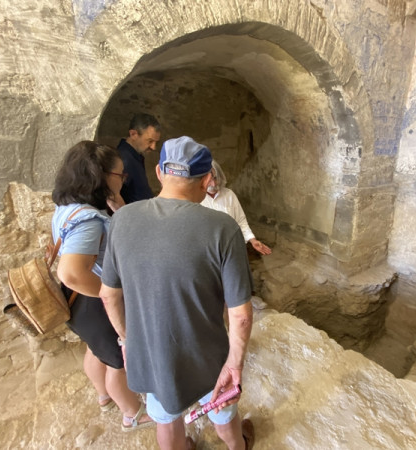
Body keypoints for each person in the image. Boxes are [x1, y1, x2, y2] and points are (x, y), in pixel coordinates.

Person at [100, 136, 256, 450]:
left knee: (165, 418)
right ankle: (237, 445)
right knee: (223, 415)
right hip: (207, 356)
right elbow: (240, 315)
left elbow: (108, 294)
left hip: (151, 351)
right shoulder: (223, 228)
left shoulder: (121, 219)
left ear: (159, 172)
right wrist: (234, 365)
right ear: (207, 179)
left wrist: (127, 341)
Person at [51, 141, 153, 432]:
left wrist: (118, 206)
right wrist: (111, 297)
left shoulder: (68, 207)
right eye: (121, 175)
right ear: (102, 176)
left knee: (96, 351)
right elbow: (71, 272)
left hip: (77, 304)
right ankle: (131, 414)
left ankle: (104, 396)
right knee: (118, 362)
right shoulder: (89, 221)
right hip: (96, 301)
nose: (124, 179)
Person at [202, 160, 272, 256]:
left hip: (232, 248)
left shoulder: (229, 195)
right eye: (209, 180)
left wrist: (252, 240)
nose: (213, 184)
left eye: (215, 178)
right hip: (208, 252)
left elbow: (240, 220)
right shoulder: (195, 199)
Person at [117, 113, 161, 204]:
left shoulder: (135, 156)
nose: (153, 147)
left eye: (156, 142)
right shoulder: (122, 159)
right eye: (150, 141)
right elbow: (113, 196)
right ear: (133, 134)